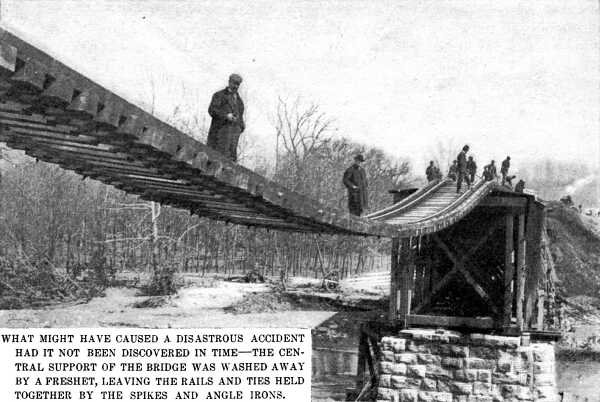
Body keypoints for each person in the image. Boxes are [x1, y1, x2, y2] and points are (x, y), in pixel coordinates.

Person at [207, 73, 245, 162]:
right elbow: (212, 110)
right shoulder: (219, 95)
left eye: (237, 84)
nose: (235, 86)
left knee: (230, 160)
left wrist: (241, 126)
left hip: (232, 139)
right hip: (219, 135)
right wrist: (226, 116)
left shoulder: (240, 102)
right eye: (234, 83)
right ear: (229, 82)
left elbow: (241, 118)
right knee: (216, 158)